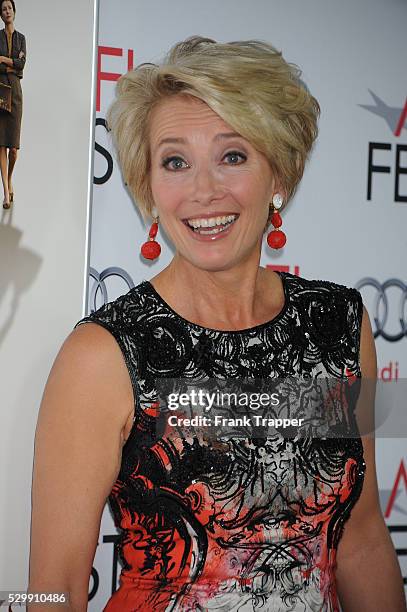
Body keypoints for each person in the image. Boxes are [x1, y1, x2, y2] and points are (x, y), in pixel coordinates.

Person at [28, 36, 406, 611]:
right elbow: (52, 589)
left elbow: (360, 539)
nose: (203, 191)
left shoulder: (338, 326)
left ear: (279, 174)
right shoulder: (103, 355)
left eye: (232, 156)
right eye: (175, 161)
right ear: (148, 187)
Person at [0, 0, 25, 209]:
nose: (7, 12)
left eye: (9, 8)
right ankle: (6, 194)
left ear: (14, 12)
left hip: (15, 92)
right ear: (1, 15)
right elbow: (15, 64)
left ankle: (9, 179)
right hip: (0, 90)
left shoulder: (21, 39)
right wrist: (12, 64)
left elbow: (21, 64)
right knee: (1, 144)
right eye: (3, 9)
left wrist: (3, 60)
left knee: (14, 148)